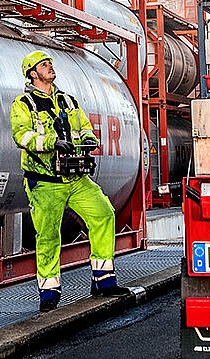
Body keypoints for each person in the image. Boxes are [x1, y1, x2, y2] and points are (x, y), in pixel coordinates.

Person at [10, 51, 132, 312]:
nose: (50, 67)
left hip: (76, 178)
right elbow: (22, 136)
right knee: (48, 235)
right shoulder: (23, 103)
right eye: (44, 65)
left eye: (50, 63)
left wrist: (88, 139)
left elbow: (84, 125)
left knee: (104, 213)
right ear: (33, 73)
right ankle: (49, 293)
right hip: (45, 181)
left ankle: (103, 280)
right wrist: (53, 142)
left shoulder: (67, 100)